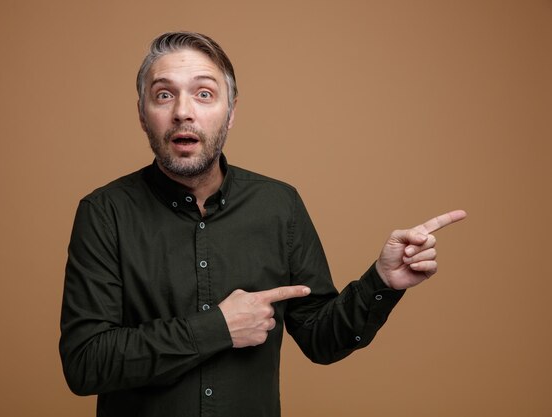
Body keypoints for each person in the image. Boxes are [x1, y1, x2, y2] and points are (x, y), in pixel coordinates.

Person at [59, 31, 466, 417]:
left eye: (204, 94)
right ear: (143, 115)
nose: (183, 112)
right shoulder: (104, 212)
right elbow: (85, 363)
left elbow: (322, 341)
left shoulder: (279, 205)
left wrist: (381, 282)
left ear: (231, 113)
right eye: (164, 95)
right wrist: (218, 327)